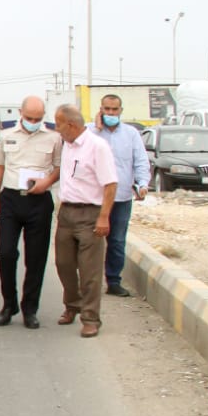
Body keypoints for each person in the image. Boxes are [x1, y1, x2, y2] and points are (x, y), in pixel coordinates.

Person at [0, 96, 62, 329]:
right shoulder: (6, 134)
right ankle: (8, 304)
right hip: (11, 199)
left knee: (36, 258)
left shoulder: (54, 136)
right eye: (29, 117)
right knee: (6, 252)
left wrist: (47, 182)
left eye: (37, 118)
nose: (33, 121)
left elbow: (59, 167)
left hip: (39, 201)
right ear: (20, 113)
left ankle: (30, 308)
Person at [53, 104, 118, 337]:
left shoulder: (97, 146)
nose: (57, 129)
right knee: (63, 264)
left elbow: (110, 184)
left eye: (58, 124)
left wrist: (104, 217)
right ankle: (73, 305)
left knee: (90, 270)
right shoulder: (67, 145)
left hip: (90, 214)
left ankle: (90, 318)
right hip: (66, 212)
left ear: (71, 125)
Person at [87, 94, 150, 297]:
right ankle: (89, 283)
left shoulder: (131, 134)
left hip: (121, 197)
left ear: (121, 111)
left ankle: (113, 281)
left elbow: (140, 161)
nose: (111, 113)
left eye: (114, 109)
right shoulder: (89, 132)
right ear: (101, 109)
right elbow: (80, 152)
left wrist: (142, 184)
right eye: (107, 109)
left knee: (117, 241)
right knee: (91, 242)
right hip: (94, 198)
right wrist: (97, 130)